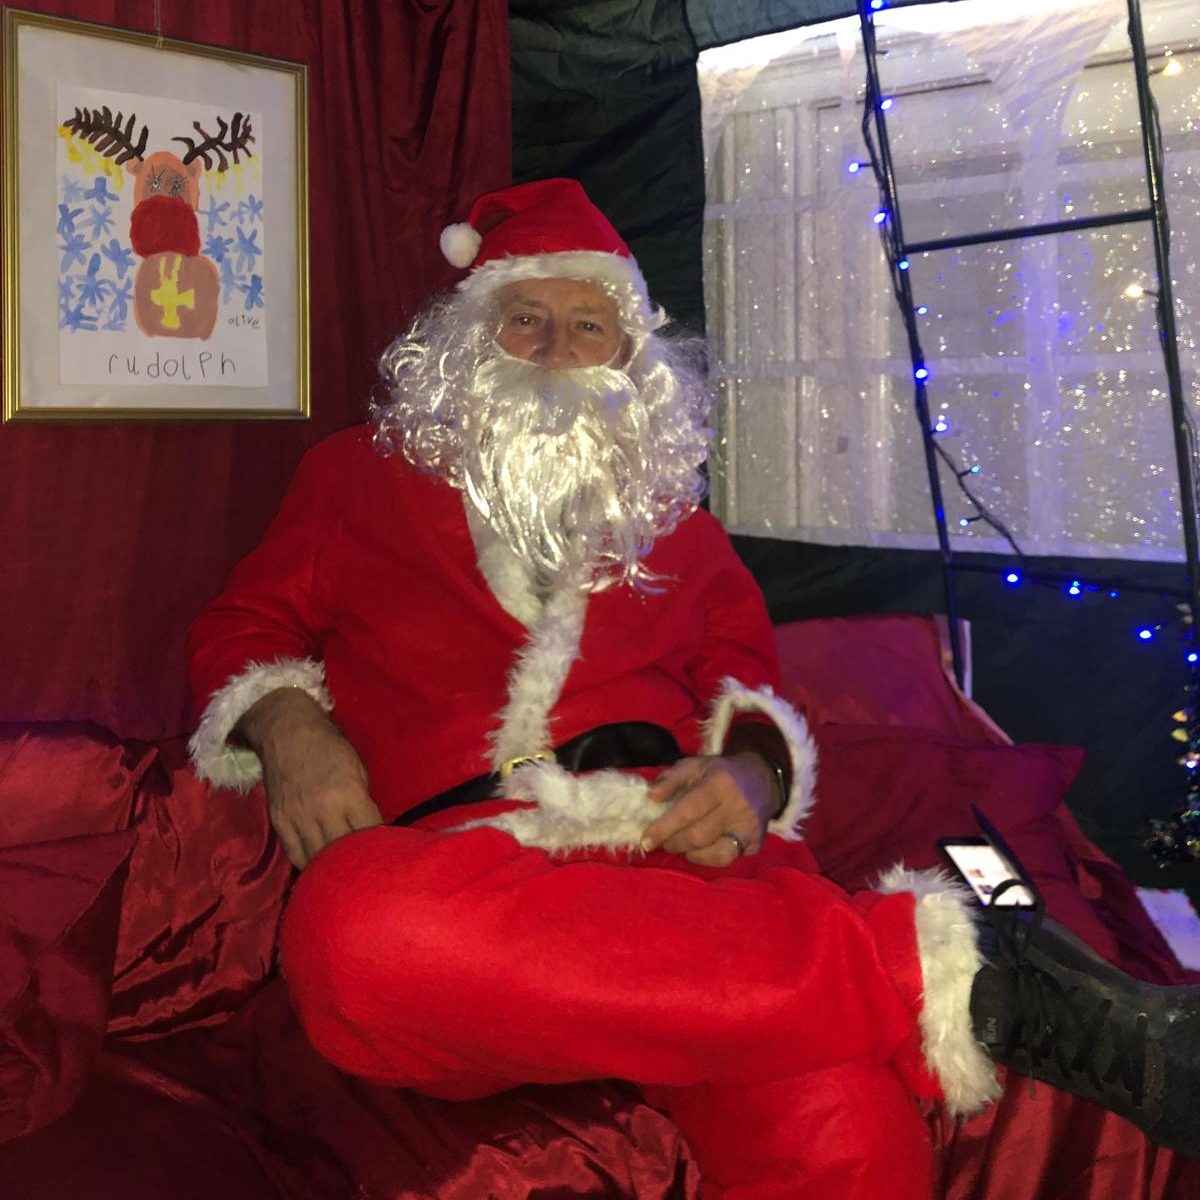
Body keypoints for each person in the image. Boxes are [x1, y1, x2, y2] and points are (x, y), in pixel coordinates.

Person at [187, 178, 1200, 1199]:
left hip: (688, 863)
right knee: (354, 936)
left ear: (635, 363)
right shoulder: (353, 481)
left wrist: (755, 779)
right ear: (465, 341)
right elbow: (243, 626)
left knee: (844, 1135)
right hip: (473, 877)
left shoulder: (680, 523)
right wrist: (288, 725)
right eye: (524, 319)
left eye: (591, 327)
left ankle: (916, 980)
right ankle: (963, 976)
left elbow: (752, 687)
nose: (552, 350)